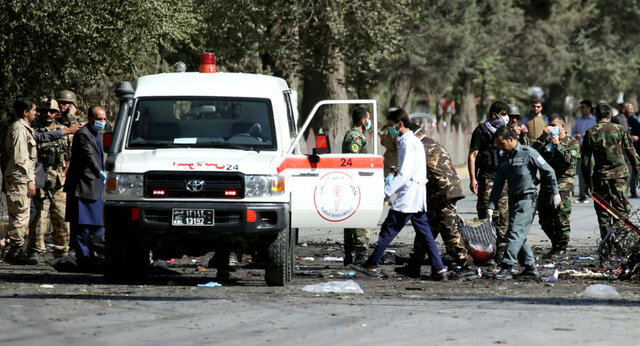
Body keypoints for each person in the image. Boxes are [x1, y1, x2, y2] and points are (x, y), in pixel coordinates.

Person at [350, 108, 446, 280]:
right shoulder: (413, 141)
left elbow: (404, 174)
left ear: (400, 124)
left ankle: (371, 265)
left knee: (388, 230)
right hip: (416, 196)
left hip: (409, 196)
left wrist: (385, 192)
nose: (389, 130)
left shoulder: (407, 143)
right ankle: (438, 269)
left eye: (391, 126)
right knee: (426, 235)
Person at [394, 122, 476, 279]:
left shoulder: (419, 147)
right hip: (442, 192)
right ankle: (414, 265)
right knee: (426, 230)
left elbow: (409, 172)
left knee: (449, 230)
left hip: (442, 193)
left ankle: (467, 265)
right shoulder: (431, 144)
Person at [489, 126, 559, 280]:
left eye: (502, 144)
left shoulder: (529, 152)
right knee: (518, 235)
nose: (500, 147)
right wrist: (490, 206)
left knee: (514, 233)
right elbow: (498, 185)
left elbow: (549, 171)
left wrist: (555, 192)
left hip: (527, 200)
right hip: (513, 202)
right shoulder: (504, 159)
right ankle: (530, 268)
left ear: (511, 139)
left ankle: (507, 266)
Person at [581, 102, 640, 239]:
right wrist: (638, 172)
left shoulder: (591, 133)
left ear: (596, 115)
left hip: (600, 178)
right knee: (621, 211)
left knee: (603, 212)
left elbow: (585, 161)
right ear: (610, 115)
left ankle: (607, 247)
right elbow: (632, 153)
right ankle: (620, 244)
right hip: (619, 177)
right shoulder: (619, 130)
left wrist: (587, 181)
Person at [27, 98, 72, 263]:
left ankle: (62, 251)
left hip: (59, 181)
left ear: (57, 113)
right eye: (44, 111)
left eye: (52, 111)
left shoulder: (65, 131)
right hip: (40, 180)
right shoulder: (33, 131)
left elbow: (71, 156)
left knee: (61, 217)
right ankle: (36, 249)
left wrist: (65, 173)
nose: (48, 114)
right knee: (39, 217)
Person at [64, 105, 108, 268]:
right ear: (90, 119)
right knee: (83, 225)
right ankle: (84, 257)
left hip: (95, 186)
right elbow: (90, 156)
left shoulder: (95, 133)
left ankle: (95, 255)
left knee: (97, 223)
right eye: (99, 119)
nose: (102, 122)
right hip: (84, 186)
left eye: (104, 119)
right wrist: (100, 171)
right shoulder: (83, 134)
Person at [531, 114, 580, 258]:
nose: (551, 128)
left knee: (561, 215)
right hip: (547, 182)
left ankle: (562, 246)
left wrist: (558, 144)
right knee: (544, 216)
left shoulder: (572, 143)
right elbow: (533, 153)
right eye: (549, 125)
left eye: (554, 125)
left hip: (564, 182)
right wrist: (542, 137)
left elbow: (569, 160)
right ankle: (555, 244)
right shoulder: (546, 143)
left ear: (562, 126)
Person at [468, 100, 510, 260]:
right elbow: (473, 156)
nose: (505, 118)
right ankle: (486, 249)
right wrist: (473, 179)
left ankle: (501, 248)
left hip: (503, 177)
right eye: (503, 115)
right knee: (486, 213)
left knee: (503, 215)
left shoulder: (505, 131)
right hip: (487, 177)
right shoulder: (481, 131)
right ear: (494, 115)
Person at [1, 97, 38, 264]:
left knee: (21, 213)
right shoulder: (19, 130)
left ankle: (14, 248)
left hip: (19, 177)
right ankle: (14, 251)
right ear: (25, 112)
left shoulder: (24, 129)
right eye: (34, 110)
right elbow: (20, 158)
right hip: (19, 178)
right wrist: (30, 180)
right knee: (20, 215)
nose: (36, 113)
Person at [341, 107, 372, 266]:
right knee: (360, 217)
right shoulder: (356, 137)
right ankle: (359, 253)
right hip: (355, 181)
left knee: (351, 217)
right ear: (363, 121)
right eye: (368, 118)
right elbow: (354, 160)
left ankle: (350, 254)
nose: (369, 121)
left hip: (351, 181)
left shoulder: (354, 135)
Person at [572, 100, 597, 203]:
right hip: (581, 150)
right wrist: (576, 136)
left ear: (589, 108)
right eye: (580, 107)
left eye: (583, 107)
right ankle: (583, 194)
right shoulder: (578, 121)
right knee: (582, 172)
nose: (581, 109)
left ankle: (594, 193)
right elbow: (573, 133)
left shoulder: (595, 120)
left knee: (592, 171)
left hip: (592, 150)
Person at [616, 103, 639, 197]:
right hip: (622, 154)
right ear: (623, 109)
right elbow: (621, 136)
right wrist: (632, 138)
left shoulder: (628, 119)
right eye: (630, 108)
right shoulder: (618, 119)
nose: (632, 110)